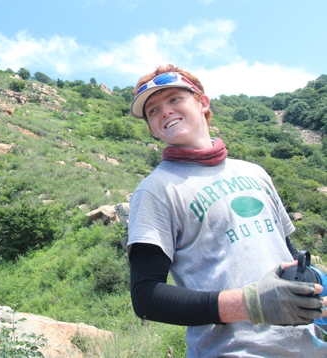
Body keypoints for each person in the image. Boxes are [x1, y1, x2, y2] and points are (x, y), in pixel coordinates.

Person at [127, 64, 327, 357]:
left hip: (309, 348)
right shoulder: (156, 190)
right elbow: (146, 297)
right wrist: (251, 303)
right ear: (151, 129)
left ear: (203, 102)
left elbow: (285, 253)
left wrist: (315, 282)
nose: (165, 111)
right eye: (153, 111)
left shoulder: (255, 173)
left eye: (174, 99)